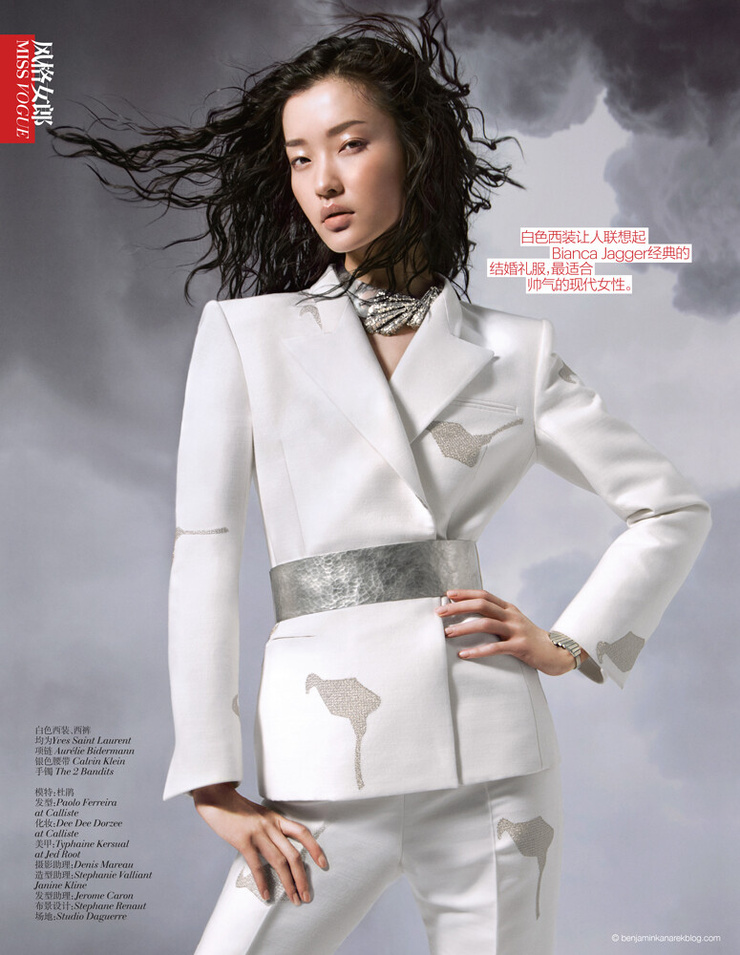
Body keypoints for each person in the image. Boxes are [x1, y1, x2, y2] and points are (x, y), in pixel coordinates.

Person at [50, 3, 711, 952]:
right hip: (323, 763)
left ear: (416, 151)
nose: (322, 180)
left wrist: (570, 641)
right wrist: (211, 777)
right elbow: (205, 551)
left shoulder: (514, 352)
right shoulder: (247, 336)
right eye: (299, 157)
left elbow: (670, 505)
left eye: (351, 144)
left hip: (493, 760)